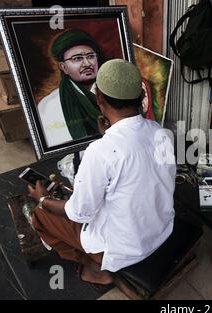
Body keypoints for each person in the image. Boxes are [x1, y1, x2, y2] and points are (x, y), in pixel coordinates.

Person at [28, 59, 176, 287]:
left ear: (99, 99)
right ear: (139, 98)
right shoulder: (161, 133)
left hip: (125, 249)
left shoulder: (100, 152)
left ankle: (97, 267)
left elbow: (79, 213)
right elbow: (136, 163)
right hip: (162, 231)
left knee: (40, 216)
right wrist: (108, 136)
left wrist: (44, 200)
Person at [38, 29, 103, 148]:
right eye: (77, 58)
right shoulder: (50, 105)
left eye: (91, 56)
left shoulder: (113, 93)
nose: (87, 63)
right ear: (64, 67)